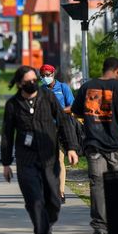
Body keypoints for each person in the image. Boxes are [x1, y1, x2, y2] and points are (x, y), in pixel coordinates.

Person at [1, 65, 79, 234]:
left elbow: (62, 122)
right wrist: (5, 163)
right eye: (28, 81)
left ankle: (46, 225)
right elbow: (7, 135)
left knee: (53, 202)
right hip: (26, 160)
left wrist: (71, 147)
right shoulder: (13, 104)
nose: (33, 83)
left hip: (49, 157)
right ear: (20, 84)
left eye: (35, 80)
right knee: (35, 201)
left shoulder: (48, 97)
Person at [71, 57, 118, 234]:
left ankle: (99, 227)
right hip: (117, 145)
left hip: (94, 146)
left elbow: (76, 111)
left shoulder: (87, 87)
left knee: (97, 185)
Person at [40, 64, 75, 204]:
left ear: (53, 74)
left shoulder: (63, 88)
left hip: (61, 128)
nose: (45, 78)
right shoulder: (41, 90)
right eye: (42, 75)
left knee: (59, 160)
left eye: (48, 75)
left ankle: (61, 192)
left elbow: (73, 106)